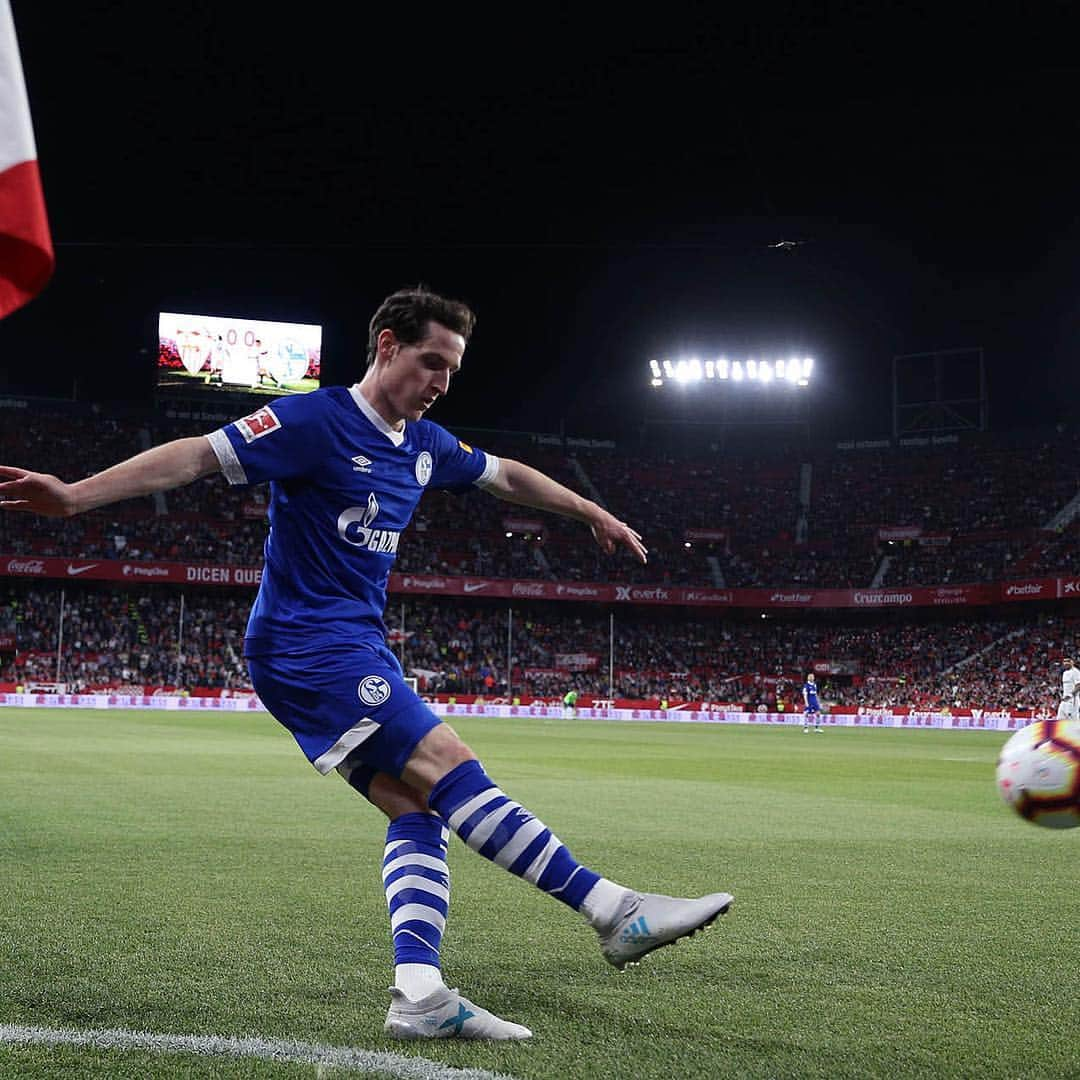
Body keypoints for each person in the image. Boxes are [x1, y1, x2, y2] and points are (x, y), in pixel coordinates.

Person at [0, 286, 732, 1042]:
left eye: (452, 369)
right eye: (430, 363)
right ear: (386, 345)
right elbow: (196, 456)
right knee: (451, 764)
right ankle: (614, 910)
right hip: (305, 643)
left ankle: (419, 995)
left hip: (351, 643)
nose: (442, 382)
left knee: (416, 810)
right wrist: (76, 497)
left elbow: (505, 473)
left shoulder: (424, 443)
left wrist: (592, 512)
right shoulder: (314, 420)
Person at [1058, 656, 1080, 722]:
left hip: (1072, 700)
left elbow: (1078, 685)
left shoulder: (1076, 672)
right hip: (1064, 700)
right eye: (1064, 661)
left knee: (1073, 721)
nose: (1066, 663)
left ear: (1072, 662)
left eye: (1068, 661)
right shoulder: (1064, 673)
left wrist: (1070, 695)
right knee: (1059, 719)